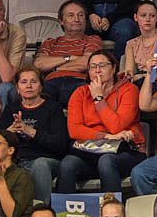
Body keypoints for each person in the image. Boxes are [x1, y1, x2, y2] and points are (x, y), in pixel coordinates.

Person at [62, 50, 145, 195]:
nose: (97, 70)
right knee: (67, 164)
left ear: (113, 68)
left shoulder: (129, 90)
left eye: (102, 65)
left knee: (106, 161)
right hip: (90, 151)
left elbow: (116, 126)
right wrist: (106, 136)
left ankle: (113, 207)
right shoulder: (80, 93)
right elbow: (74, 130)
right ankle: (64, 209)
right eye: (93, 67)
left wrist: (98, 99)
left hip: (124, 151)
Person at [2, 66, 72, 204]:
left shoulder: (53, 108)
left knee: (40, 164)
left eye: (33, 81)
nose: (28, 86)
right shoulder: (11, 109)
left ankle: (40, 211)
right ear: (17, 88)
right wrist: (9, 132)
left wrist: (29, 131)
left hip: (46, 160)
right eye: (24, 82)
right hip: (16, 161)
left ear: (41, 87)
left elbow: (60, 145)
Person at [32, 0, 100, 107]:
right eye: (71, 15)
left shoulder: (92, 40)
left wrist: (55, 68)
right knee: (32, 95)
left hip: (78, 81)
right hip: (50, 83)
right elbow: (38, 64)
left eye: (81, 15)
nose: (77, 19)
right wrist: (69, 58)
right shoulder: (50, 42)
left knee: (83, 93)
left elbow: (87, 62)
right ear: (61, 21)